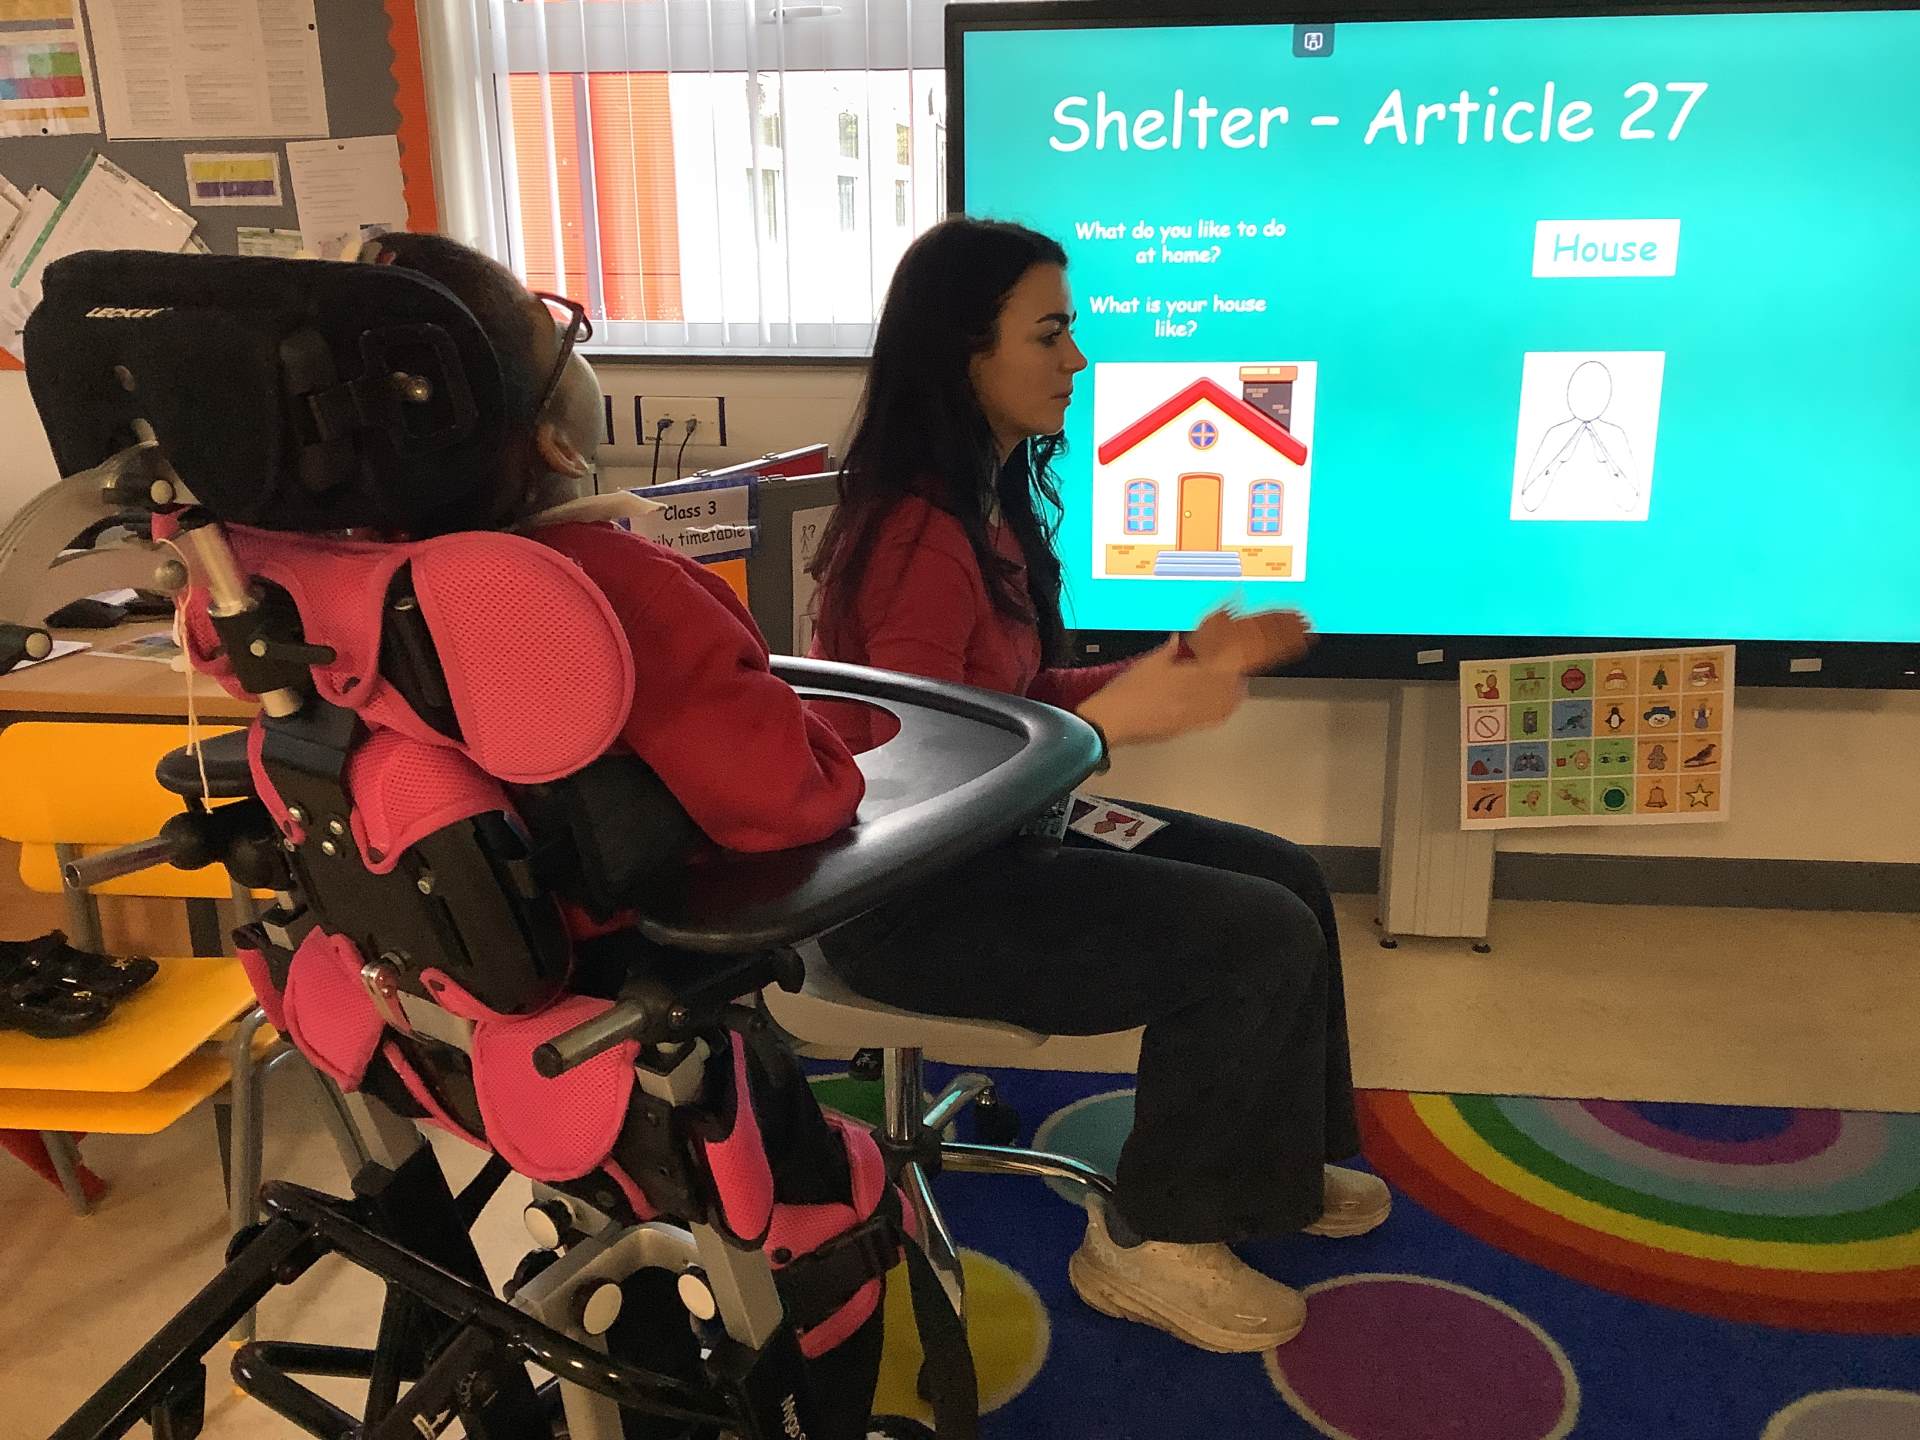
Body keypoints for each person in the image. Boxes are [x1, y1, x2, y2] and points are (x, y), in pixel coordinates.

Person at [807, 216, 1388, 1354]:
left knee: (1287, 878)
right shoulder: (917, 538)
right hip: (911, 897)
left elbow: (1015, 692)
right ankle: (1149, 1241)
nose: (1077, 359)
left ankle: (1269, 1173)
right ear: (964, 353)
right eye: (1050, 333)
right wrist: (1115, 719)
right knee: (1254, 934)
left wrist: (1172, 665)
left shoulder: (982, 505)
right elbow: (937, 763)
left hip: (997, 842)